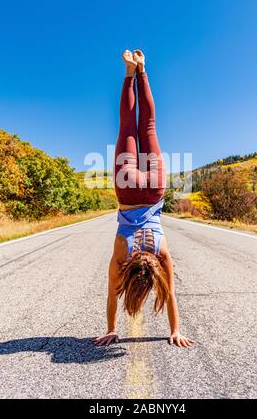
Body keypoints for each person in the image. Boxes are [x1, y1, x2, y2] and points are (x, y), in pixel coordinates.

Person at [94, 50, 194, 348]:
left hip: (154, 189)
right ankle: (129, 71)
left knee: (148, 125)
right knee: (128, 127)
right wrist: (112, 328)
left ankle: (142, 70)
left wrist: (175, 330)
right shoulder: (121, 253)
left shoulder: (161, 254)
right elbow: (113, 294)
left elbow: (172, 295)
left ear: (151, 275)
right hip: (127, 190)